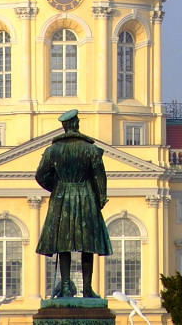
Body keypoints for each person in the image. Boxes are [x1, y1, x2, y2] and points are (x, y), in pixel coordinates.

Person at [35, 109, 112, 298]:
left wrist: (55, 186)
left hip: (62, 197)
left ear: (64, 126)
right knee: (88, 244)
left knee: (64, 244)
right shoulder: (91, 150)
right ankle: (87, 288)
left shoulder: (52, 151)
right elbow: (100, 177)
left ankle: (67, 285)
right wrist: (101, 196)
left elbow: (40, 175)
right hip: (86, 195)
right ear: (76, 124)